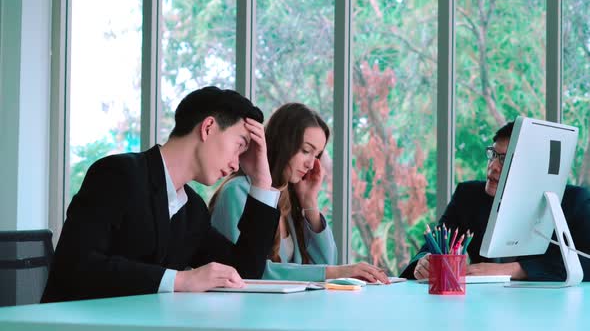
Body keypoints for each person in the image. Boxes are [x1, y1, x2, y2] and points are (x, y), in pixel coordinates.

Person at [42, 86, 280, 303]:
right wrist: (181, 281)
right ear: (208, 127)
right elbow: (77, 265)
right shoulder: (118, 174)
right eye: (239, 146)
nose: (236, 166)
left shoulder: (192, 209)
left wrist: (262, 181)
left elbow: (242, 273)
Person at [209, 103, 389, 283]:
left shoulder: (289, 196)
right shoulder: (237, 192)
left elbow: (326, 263)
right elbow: (246, 271)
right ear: (282, 144)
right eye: (305, 151)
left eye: (316, 155)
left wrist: (309, 202)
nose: (311, 164)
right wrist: (335, 272)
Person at [400, 121, 590, 281]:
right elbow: (432, 248)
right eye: (493, 155)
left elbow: (586, 262)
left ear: (534, 168)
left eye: (506, 160)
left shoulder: (574, 202)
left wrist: (512, 270)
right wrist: (424, 262)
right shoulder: (468, 196)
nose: (493, 167)